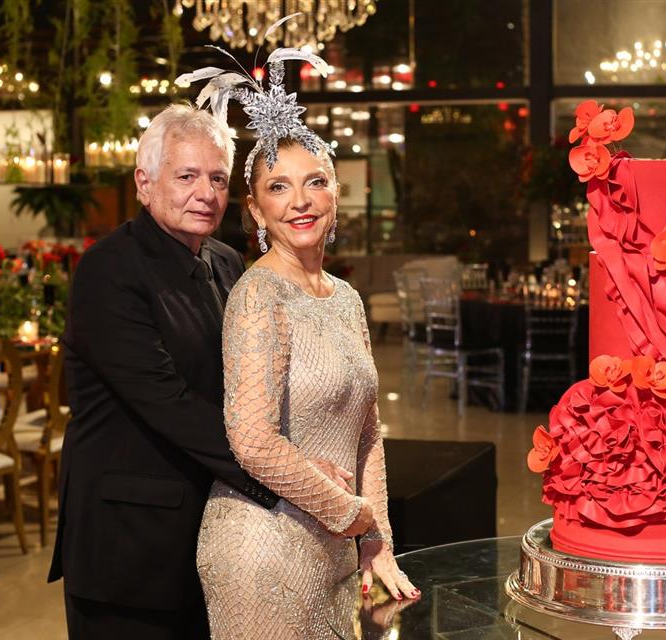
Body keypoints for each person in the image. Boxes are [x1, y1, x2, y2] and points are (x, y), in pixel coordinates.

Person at [180, 49, 419, 639]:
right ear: (256, 210)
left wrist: (376, 538)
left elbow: (367, 430)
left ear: (336, 193)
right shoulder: (257, 296)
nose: (300, 201)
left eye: (315, 182)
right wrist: (350, 514)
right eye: (278, 187)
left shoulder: (347, 297)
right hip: (261, 552)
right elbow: (253, 442)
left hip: (332, 553)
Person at [47, 104, 282, 639]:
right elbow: (166, 400)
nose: (206, 193)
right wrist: (280, 474)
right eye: (186, 176)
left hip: (209, 532)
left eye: (217, 178)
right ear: (144, 183)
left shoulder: (225, 261)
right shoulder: (108, 269)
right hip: (129, 547)